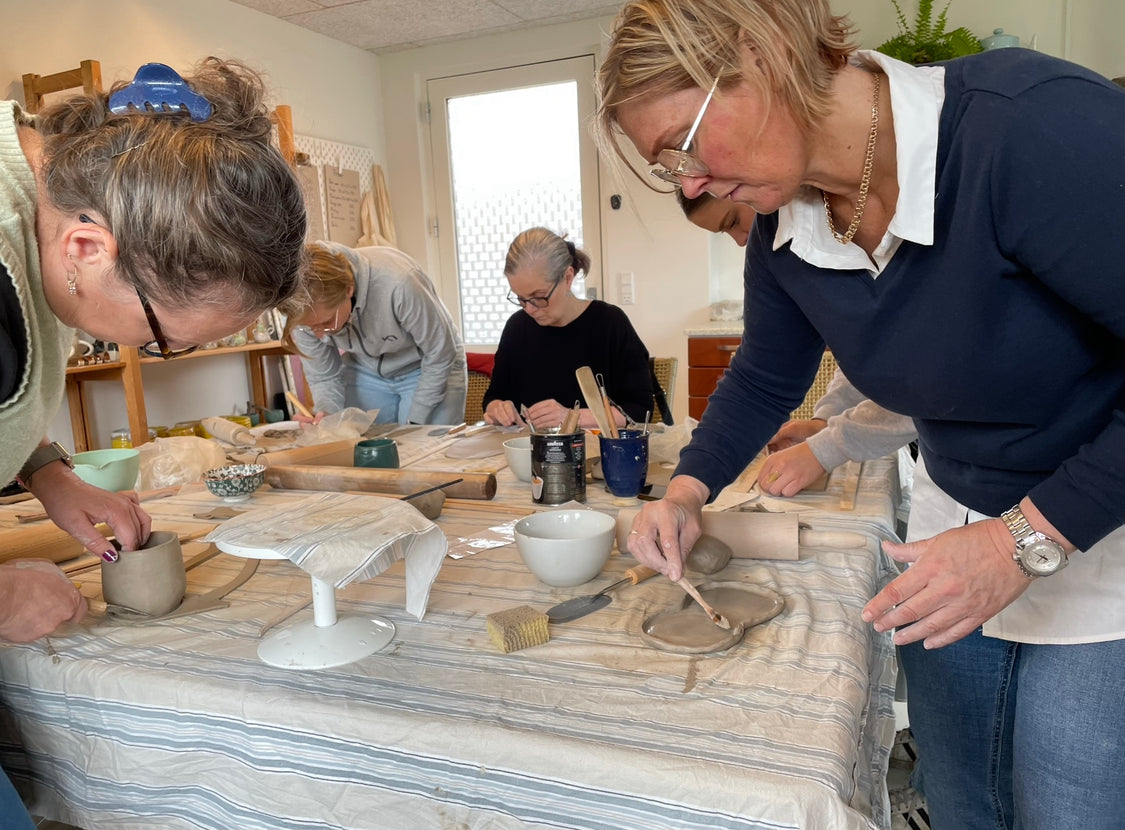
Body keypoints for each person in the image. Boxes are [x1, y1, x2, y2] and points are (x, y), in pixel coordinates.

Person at [595, 2, 1125, 828]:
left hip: (1101, 530)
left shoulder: (1027, 129)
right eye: (669, 170)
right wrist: (686, 489)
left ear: (758, 52)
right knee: (960, 801)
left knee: (1069, 809)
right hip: (953, 527)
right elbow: (767, 374)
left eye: (682, 146)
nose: (691, 184)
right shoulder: (783, 220)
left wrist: (1025, 539)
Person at [0, 58, 305, 824]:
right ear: (86, 248)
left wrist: (47, 472)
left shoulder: (43, 202)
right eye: (165, 340)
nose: (158, 353)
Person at [677, 191, 916, 495]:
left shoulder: (911, 205)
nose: (740, 240)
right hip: (941, 475)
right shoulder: (778, 249)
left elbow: (936, 384)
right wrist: (824, 422)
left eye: (733, 221)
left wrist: (827, 447)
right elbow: (869, 357)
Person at [483, 227, 652, 432]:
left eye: (539, 297)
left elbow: (640, 411)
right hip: (531, 454)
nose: (529, 309)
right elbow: (494, 397)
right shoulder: (517, 328)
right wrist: (498, 409)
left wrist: (572, 417)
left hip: (598, 454)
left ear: (568, 277)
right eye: (520, 299)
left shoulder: (609, 324)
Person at [280, 242, 467, 426]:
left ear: (348, 289)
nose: (320, 335)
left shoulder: (400, 283)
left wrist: (415, 423)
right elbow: (324, 376)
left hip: (428, 363)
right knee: (365, 445)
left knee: (424, 446)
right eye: (311, 327)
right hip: (365, 368)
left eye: (327, 323)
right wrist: (326, 416)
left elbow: (439, 353)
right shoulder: (300, 309)